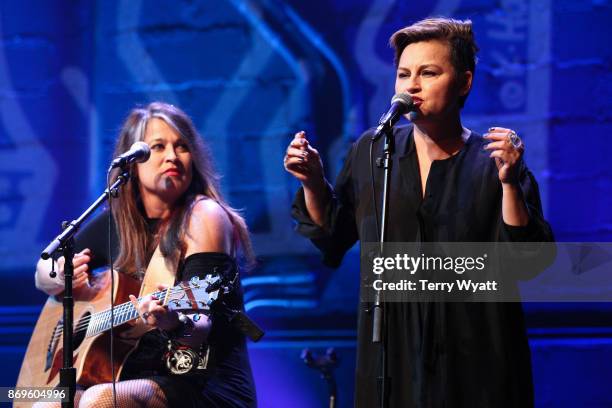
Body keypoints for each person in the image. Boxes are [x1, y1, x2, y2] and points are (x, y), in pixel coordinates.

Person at [284, 18, 554, 408]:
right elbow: (333, 236)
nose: (411, 86)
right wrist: (312, 181)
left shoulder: (492, 161)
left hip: (475, 355)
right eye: (403, 74)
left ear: (464, 82)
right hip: (394, 352)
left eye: (428, 73)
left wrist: (510, 183)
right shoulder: (374, 151)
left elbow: (527, 262)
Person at [35, 102, 257, 407]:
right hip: (134, 377)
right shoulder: (120, 221)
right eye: (158, 147)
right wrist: (56, 278)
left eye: (181, 146)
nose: (172, 156)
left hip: (203, 381)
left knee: (100, 400)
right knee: (40, 403)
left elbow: (200, 319)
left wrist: (173, 322)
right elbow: (43, 269)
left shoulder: (204, 216)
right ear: (132, 165)